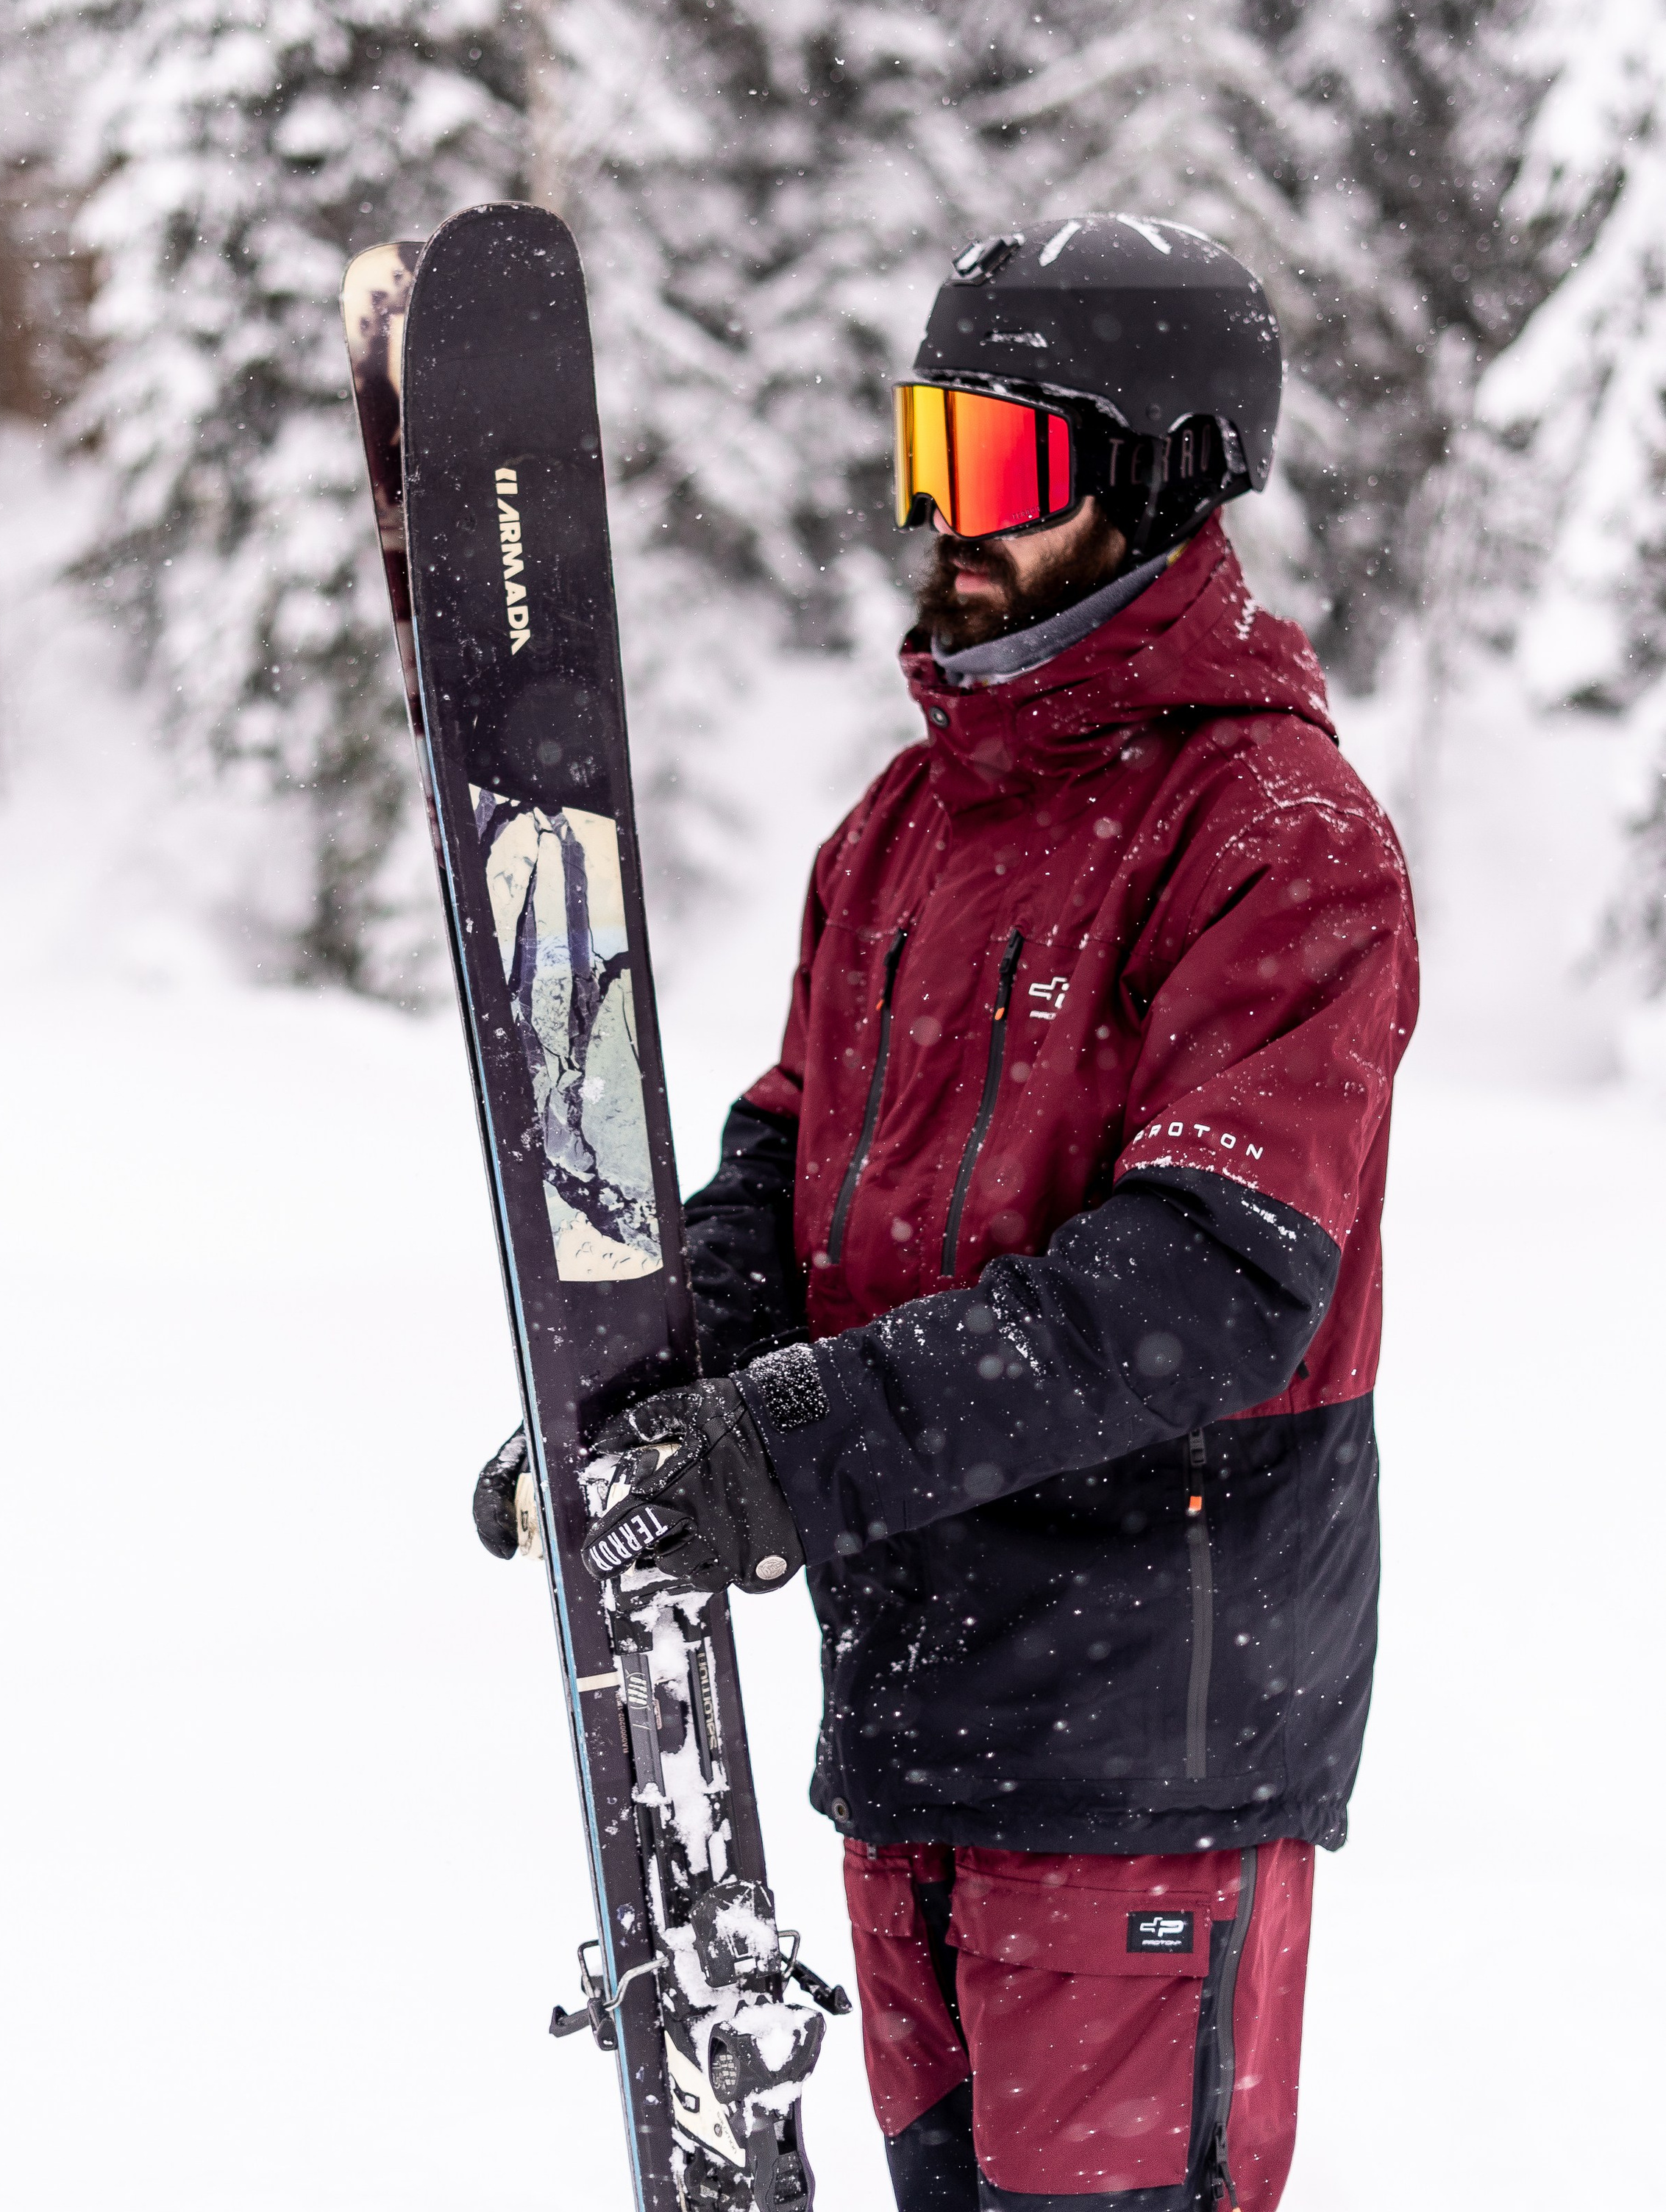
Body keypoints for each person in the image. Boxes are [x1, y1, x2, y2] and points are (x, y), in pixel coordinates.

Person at [484, 216, 1418, 2212]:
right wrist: (655, 1399)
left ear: (1164, 474)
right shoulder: (906, 829)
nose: (947, 522)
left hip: (1141, 1754)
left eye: (1004, 468)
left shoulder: (1277, 840)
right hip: (918, 1728)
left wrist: (797, 1446)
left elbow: (1205, 1285)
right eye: (932, 457)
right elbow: (793, 1158)